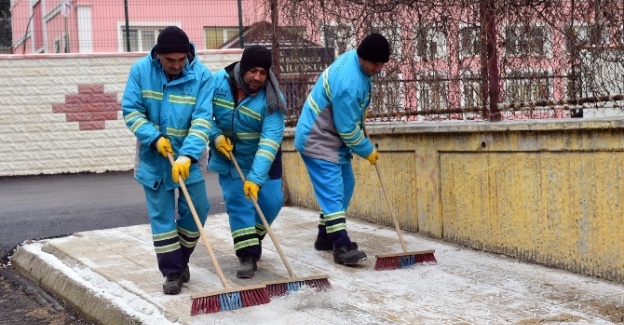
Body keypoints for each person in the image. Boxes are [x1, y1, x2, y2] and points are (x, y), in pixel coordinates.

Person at [121, 26, 214, 294]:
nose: (176, 65)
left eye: (181, 60)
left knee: (198, 210)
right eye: (169, 60)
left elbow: (201, 120)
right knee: (162, 219)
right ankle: (172, 272)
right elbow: (131, 110)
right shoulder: (141, 71)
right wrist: (153, 137)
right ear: (158, 56)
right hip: (154, 160)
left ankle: (181, 258)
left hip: (189, 160)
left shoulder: (202, 76)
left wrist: (187, 154)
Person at [294, 33, 391, 266]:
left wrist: (360, 112)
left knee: (346, 185)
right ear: (362, 57)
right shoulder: (349, 82)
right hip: (317, 137)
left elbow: (349, 112)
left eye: (381, 64)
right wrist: (367, 149)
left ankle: (324, 237)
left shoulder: (356, 63)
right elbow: (347, 130)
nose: (378, 69)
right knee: (334, 191)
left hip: (330, 137)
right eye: (375, 64)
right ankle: (341, 245)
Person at [208, 45, 286, 279]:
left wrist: (255, 178)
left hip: (263, 158)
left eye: (263, 73)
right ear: (242, 67)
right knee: (239, 203)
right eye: (253, 71)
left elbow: (270, 141)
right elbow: (200, 114)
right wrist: (215, 135)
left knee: (272, 202)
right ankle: (247, 255)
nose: (258, 78)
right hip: (229, 155)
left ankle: (251, 237)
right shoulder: (217, 83)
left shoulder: (273, 100)